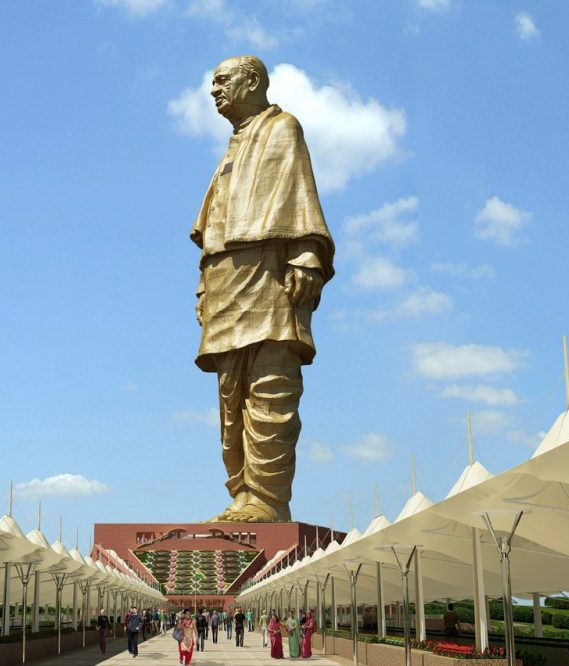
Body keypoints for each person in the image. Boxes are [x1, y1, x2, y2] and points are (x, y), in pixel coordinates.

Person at [192, 55, 335, 524]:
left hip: (267, 273)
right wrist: (203, 287)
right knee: (230, 396)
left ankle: (268, 499)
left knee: (270, 385)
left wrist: (307, 253)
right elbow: (212, 224)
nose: (214, 90)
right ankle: (242, 493)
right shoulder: (230, 151)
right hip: (224, 281)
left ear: (251, 81)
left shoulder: (282, 128)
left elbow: (300, 194)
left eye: (222, 80)